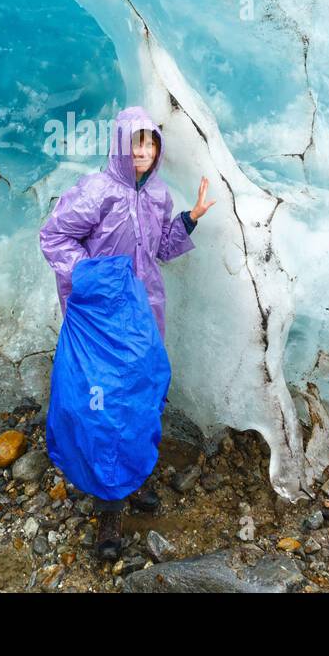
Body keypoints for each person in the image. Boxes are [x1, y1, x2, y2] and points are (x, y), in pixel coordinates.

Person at [39, 106, 213, 559]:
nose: (144, 151)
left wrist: (190, 219)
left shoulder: (157, 197)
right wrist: (95, 280)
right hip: (101, 322)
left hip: (144, 318)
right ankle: (109, 513)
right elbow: (54, 237)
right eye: (137, 142)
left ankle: (132, 479)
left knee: (140, 402)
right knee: (104, 410)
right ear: (119, 143)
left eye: (151, 142)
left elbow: (160, 250)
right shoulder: (96, 191)